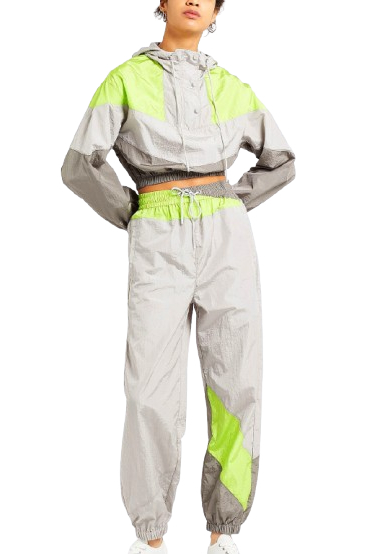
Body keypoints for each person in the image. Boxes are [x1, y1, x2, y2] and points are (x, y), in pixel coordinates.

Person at [61, 1, 296, 553]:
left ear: (216, 11)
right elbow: (78, 164)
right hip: (158, 237)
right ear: (161, 3)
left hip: (228, 242)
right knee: (149, 390)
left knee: (237, 381)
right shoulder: (125, 79)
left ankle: (223, 532)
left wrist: (229, 202)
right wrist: (135, 211)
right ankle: (150, 537)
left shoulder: (232, 87)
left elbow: (281, 160)